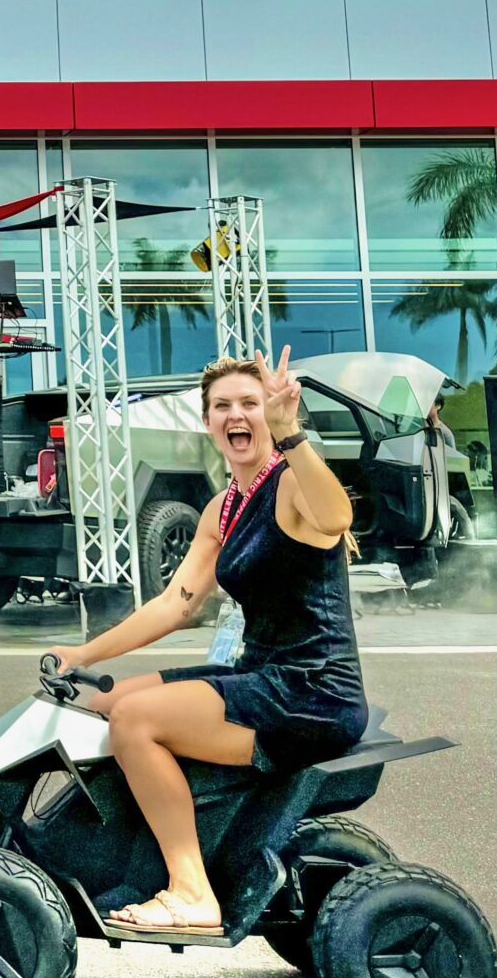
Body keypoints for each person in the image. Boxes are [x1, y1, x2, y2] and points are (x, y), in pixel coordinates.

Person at [44, 346, 368, 936]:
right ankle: (140, 849)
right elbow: (176, 603)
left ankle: (192, 890)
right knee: (105, 703)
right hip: (261, 673)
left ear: (269, 413)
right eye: (223, 406)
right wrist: (83, 655)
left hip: (311, 691)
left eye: (250, 403)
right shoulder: (223, 508)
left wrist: (293, 433)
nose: (236, 415)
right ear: (207, 420)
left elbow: (336, 516)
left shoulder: (292, 487)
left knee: (137, 721)